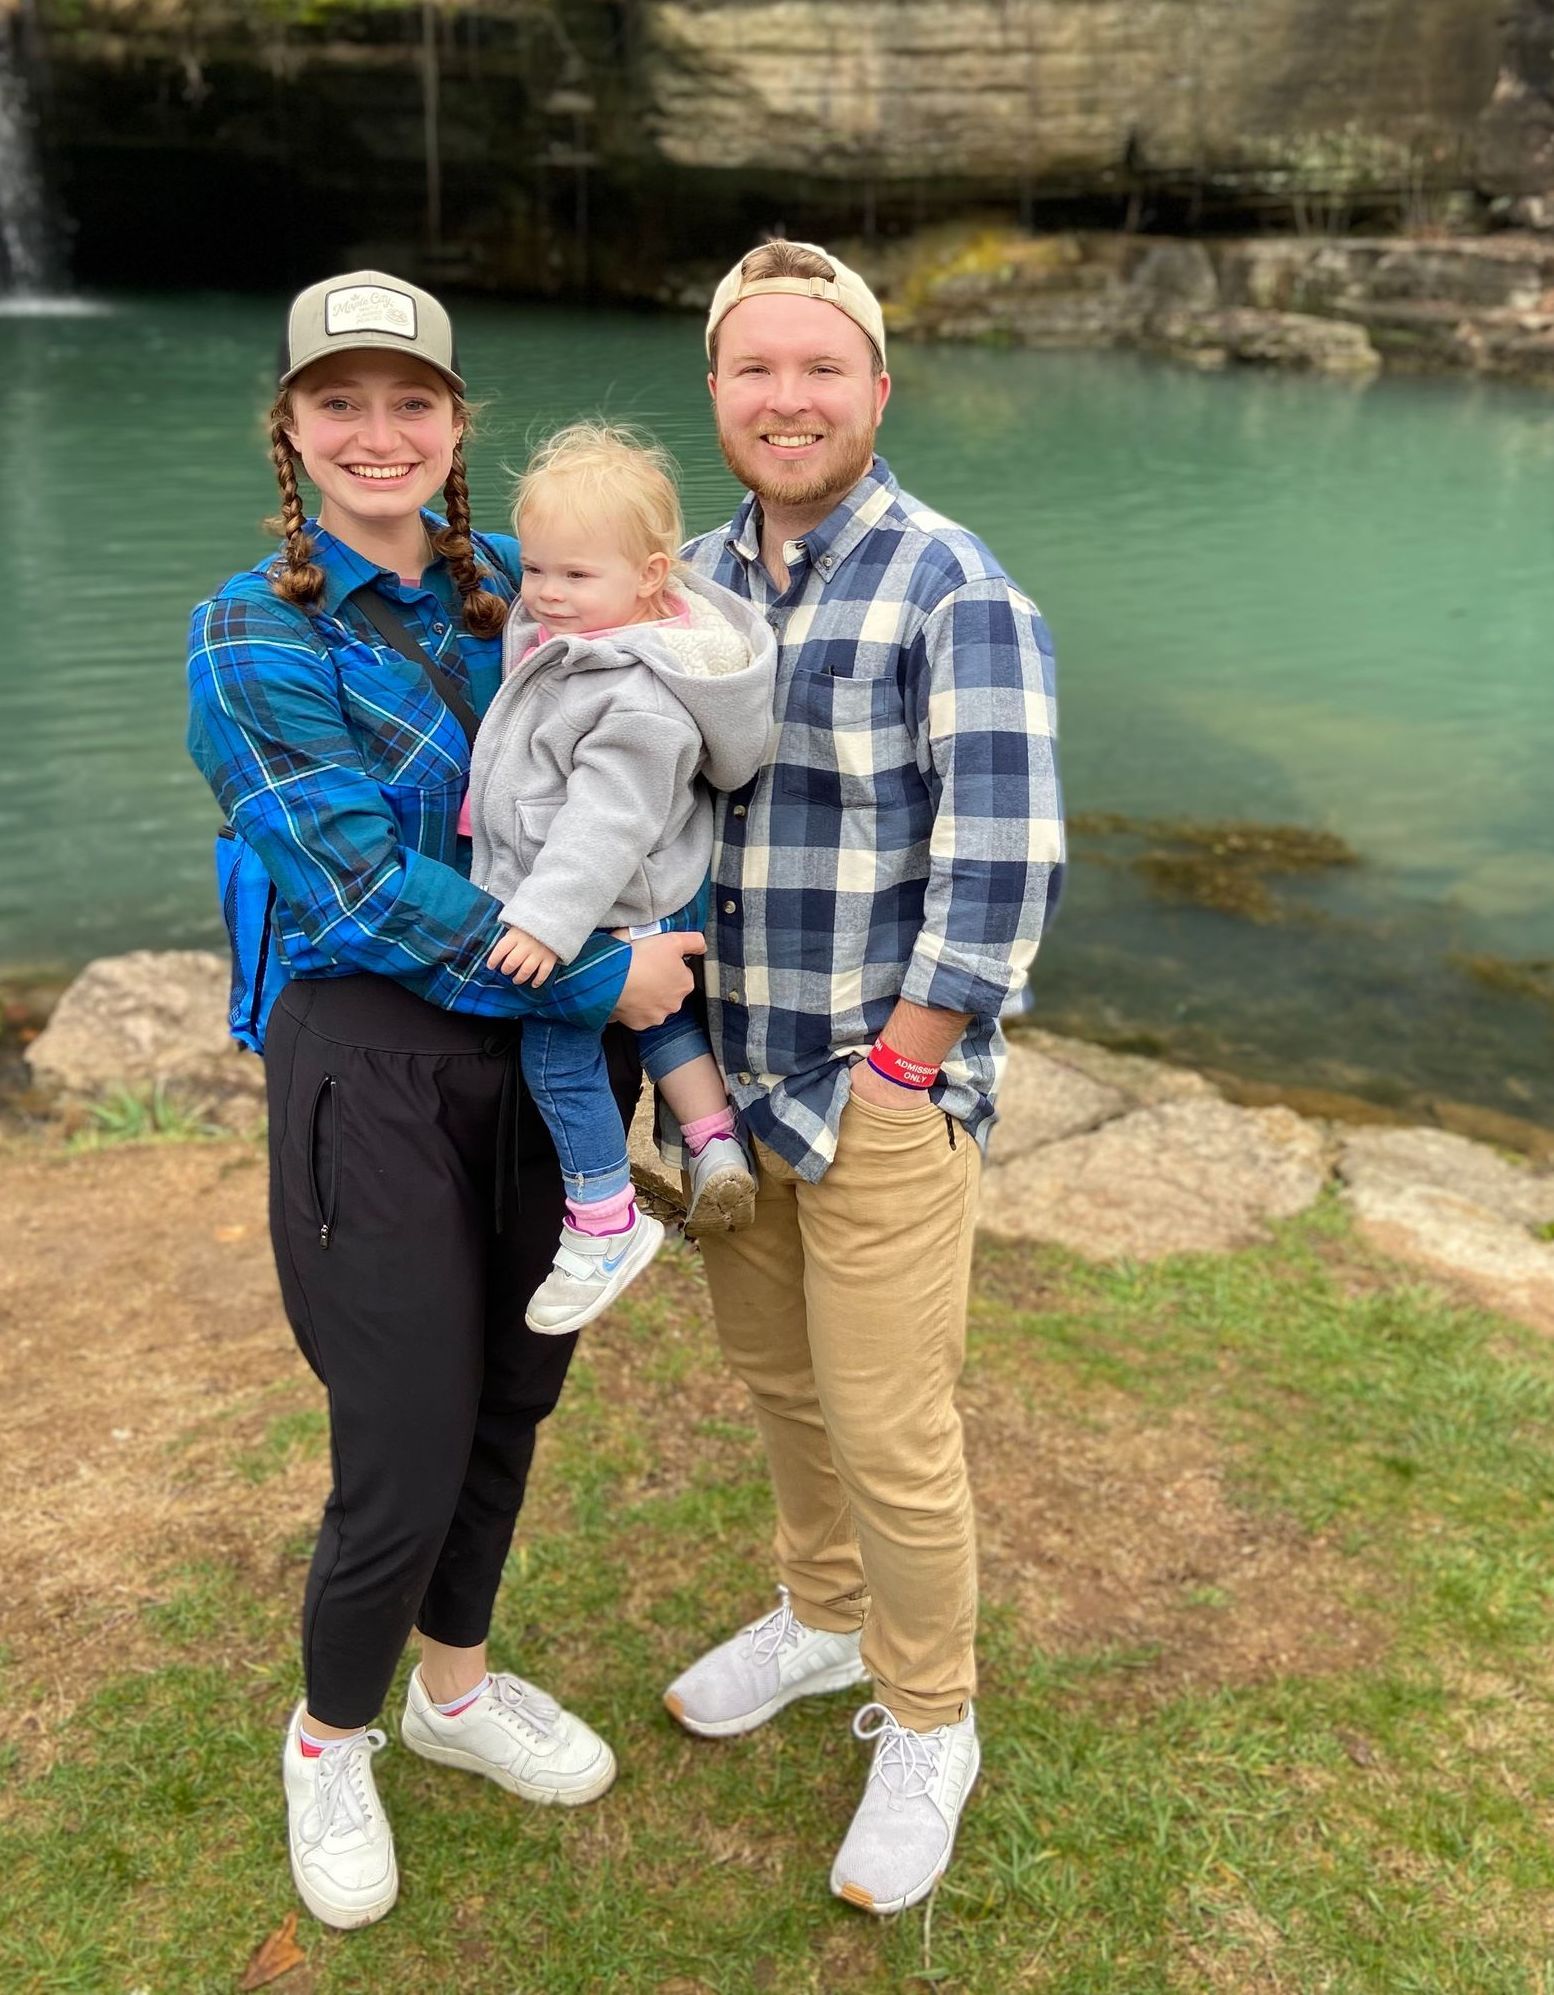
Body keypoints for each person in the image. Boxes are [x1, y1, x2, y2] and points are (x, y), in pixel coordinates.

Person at [185, 271, 701, 1932]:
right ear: (290, 426)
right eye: (339, 402)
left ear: (455, 421)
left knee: (512, 1397)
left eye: (408, 400)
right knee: (399, 1431)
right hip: (379, 1063)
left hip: (550, 1061)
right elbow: (345, 888)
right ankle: (329, 1735)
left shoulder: (530, 591)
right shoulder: (250, 628)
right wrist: (601, 971)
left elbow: (672, 736)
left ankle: (454, 1692)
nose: (377, 432)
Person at [661, 241, 1065, 1914]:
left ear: (875, 391)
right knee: (780, 1389)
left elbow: (1005, 858)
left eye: (818, 368)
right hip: (726, 1097)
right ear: (716, 394)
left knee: (894, 1426)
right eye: (753, 369)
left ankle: (927, 1718)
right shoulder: (680, 581)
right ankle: (820, 1620)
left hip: (873, 1094)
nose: (785, 397)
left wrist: (908, 1064)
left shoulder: (949, 586)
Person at [469, 422, 775, 1335]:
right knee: (664, 1020)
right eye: (536, 571)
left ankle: (603, 1217)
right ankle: (715, 1140)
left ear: (649, 576)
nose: (546, 595)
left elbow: (606, 822)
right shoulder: (613, 632)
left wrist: (545, 923)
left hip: (605, 898)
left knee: (558, 1047)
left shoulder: (636, 694)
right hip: (650, 895)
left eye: (574, 576)